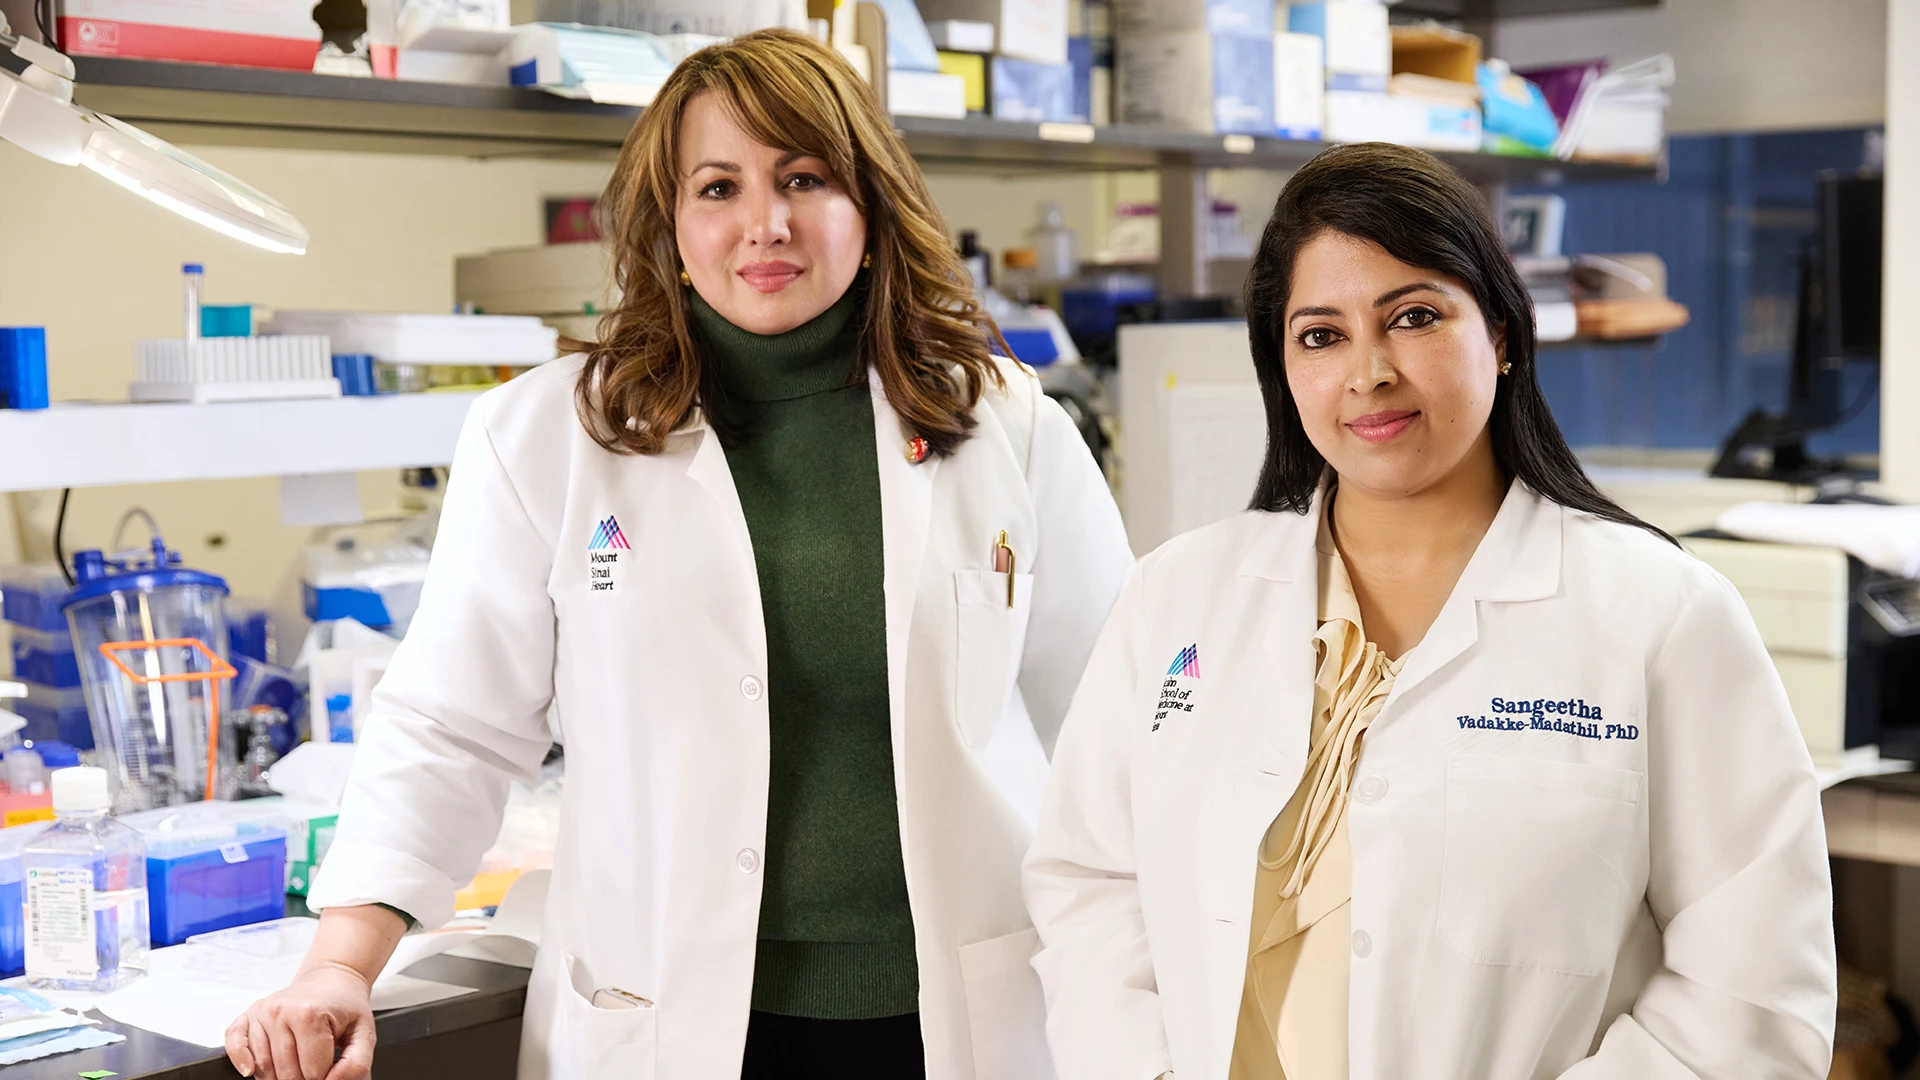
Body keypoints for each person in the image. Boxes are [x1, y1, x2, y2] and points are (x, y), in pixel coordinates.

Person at [227, 29, 1131, 1080]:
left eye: (805, 178)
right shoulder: (550, 438)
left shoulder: (1008, 427)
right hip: (663, 1017)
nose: (765, 223)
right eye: (718, 187)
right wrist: (341, 964)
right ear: (670, 224)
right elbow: (451, 726)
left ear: (873, 207)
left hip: (956, 1020)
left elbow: (1120, 735)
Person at [1023, 142, 1836, 1080]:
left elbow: (1752, 994)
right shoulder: (1175, 597)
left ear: (1501, 333)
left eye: (1413, 317)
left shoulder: (1664, 617)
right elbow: (1091, 882)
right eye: (1320, 335)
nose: (1368, 373)